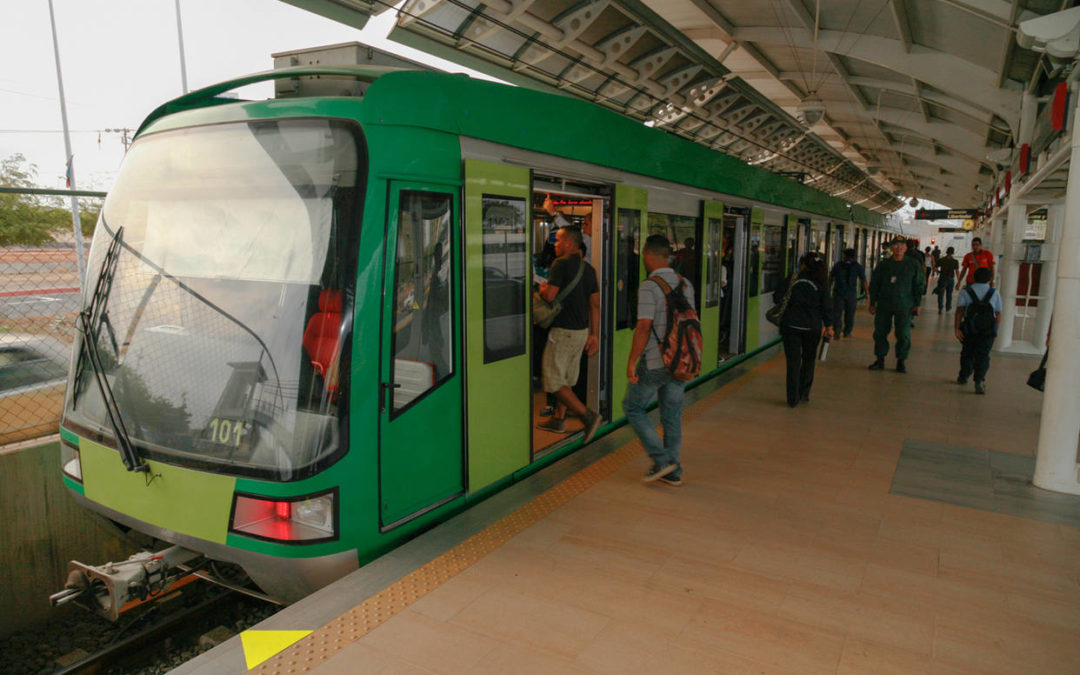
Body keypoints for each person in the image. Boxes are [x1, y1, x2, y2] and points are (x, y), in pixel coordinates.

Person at [625, 235, 695, 485]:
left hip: (655, 362)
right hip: (682, 361)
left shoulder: (649, 286)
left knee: (632, 407)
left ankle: (662, 460)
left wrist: (632, 360)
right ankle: (674, 470)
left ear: (649, 255)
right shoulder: (685, 283)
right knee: (672, 415)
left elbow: (644, 326)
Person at [536, 226, 603, 441]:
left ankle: (588, 416)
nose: (555, 244)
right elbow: (595, 304)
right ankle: (558, 420)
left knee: (553, 381)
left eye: (558, 240)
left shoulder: (560, 264)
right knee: (566, 378)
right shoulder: (589, 269)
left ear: (569, 244)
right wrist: (594, 335)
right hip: (581, 332)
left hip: (562, 332)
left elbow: (550, 296)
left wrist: (543, 289)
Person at [775, 253, 834, 407]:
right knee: (809, 360)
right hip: (812, 327)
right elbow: (827, 305)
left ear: (804, 264)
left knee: (793, 362)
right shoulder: (822, 282)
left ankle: (792, 398)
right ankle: (804, 393)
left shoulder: (794, 278)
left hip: (790, 326)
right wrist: (829, 326)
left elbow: (777, 297)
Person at [868, 237, 925, 373]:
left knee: (903, 334)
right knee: (880, 332)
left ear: (906, 248)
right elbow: (875, 283)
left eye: (902, 245)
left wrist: (917, 304)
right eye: (896, 245)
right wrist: (872, 302)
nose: (899, 248)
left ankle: (901, 361)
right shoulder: (884, 265)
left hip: (904, 305)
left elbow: (919, 284)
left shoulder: (913, 264)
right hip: (884, 304)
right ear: (891, 248)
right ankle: (880, 359)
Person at [954, 267, 1002, 394]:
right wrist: (996, 329)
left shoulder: (966, 291)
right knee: (983, 355)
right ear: (990, 279)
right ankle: (979, 380)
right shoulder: (994, 293)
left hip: (970, 329)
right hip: (988, 330)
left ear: (974, 277)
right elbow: (997, 313)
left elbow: (960, 311)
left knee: (967, 353)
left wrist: (957, 328)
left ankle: (963, 376)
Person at [829, 248, 868, 339]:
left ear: (844, 256)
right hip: (851, 293)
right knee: (850, 313)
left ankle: (837, 332)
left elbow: (831, 278)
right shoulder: (858, 266)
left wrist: (828, 289)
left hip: (838, 293)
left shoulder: (838, 265)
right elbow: (864, 280)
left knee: (837, 313)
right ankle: (847, 332)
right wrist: (867, 293)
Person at [934, 246, 959, 313]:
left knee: (941, 294)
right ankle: (948, 307)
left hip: (942, 278)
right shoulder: (955, 261)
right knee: (949, 294)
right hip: (950, 279)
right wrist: (959, 281)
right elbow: (957, 271)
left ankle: (940, 307)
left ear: (946, 252)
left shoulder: (941, 260)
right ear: (953, 253)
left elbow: (935, 268)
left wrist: (938, 272)